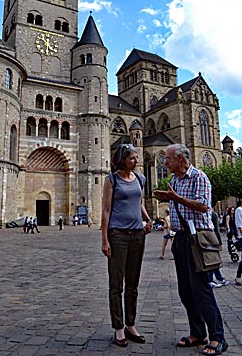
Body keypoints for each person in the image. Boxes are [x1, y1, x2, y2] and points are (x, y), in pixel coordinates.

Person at [154, 144, 227, 356]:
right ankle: (198, 332)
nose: (165, 162)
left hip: (199, 239)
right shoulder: (175, 180)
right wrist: (168, 198)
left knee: (201, 289)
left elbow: (204, 206)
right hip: (182, 238)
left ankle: (218, 337)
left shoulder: (199, 177)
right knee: (185, 290)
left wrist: (176, 199)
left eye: (168, 158)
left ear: (180, 159)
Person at [101, 143, 152, 347]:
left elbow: (139, 203)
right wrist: (104, 239)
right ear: (122, 160)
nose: (136, 161)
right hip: (118, 235)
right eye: (132, 158)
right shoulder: (111, 179)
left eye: (137, 158)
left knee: (133, 284)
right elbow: (105, 210)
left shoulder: (140, 178)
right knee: (117, 284)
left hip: (137, 235)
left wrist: (149, 220)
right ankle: (118, 327)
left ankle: (131, 324)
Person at [208, 195, 229, 288]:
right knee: (213, 260)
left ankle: (219, 277)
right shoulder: (213, 215)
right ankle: (212, 279)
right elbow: (216, 230)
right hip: (213, 240)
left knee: (212, 260)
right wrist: (219, 242)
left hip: (203, 239)